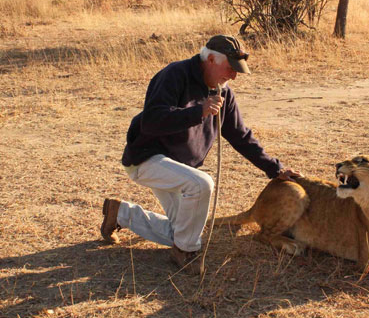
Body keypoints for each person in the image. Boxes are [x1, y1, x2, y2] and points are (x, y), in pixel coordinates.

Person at [100, 35, 300, 273]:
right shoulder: (175, 74)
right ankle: (185, 253)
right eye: (230, 69)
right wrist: (199, 112)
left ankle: (120, 213)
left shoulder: (224, 94)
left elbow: (240, 136)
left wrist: (275, 168)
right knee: (202, 184)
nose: (234, 76)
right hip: (147, 159)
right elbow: (152, 122)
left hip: (180, 168)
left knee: (181, 232)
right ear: (212, 59)